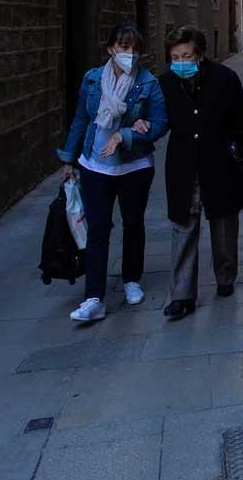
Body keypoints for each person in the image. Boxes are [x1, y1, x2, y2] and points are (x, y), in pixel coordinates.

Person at [57, 23, 168, 322]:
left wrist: (131, 133)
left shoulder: (148, 83)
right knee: (98, 228)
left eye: (133, 48)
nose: (128, 53)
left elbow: (160, 123)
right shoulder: (93, 80)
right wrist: (69, 158)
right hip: (95, 165)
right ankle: (94, 297)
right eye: (122, 47)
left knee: (133, 223)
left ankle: (132, 279)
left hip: (134, 165)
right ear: (110, 49)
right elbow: (81, 119)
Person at [159, 26, 243, 319]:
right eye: (175, 57)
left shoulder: (224, 78)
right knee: (183, 225)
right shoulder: (166, 83)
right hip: (183, 166)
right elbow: (157, 121)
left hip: (219, 161)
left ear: (201, 54)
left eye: (187, 56)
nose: (181, 62)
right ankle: (182, 295)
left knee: (223, 224)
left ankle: (225, 276)